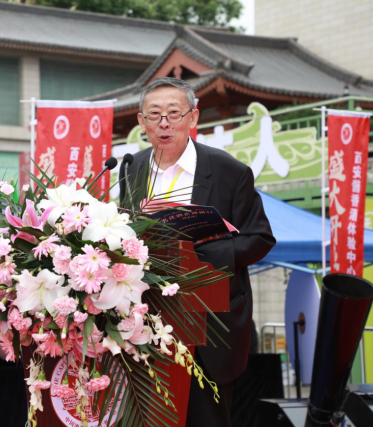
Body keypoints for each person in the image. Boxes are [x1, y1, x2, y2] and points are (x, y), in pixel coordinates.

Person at [119, 77, 276, 426]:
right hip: (146, 322)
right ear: (141, 122)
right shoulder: (132, 168)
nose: (164, 123)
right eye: (154, 115)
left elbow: (261, 238)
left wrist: (202, 254)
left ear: (193, 118)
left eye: (174, 114)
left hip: (209, 324)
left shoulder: (228, 171)